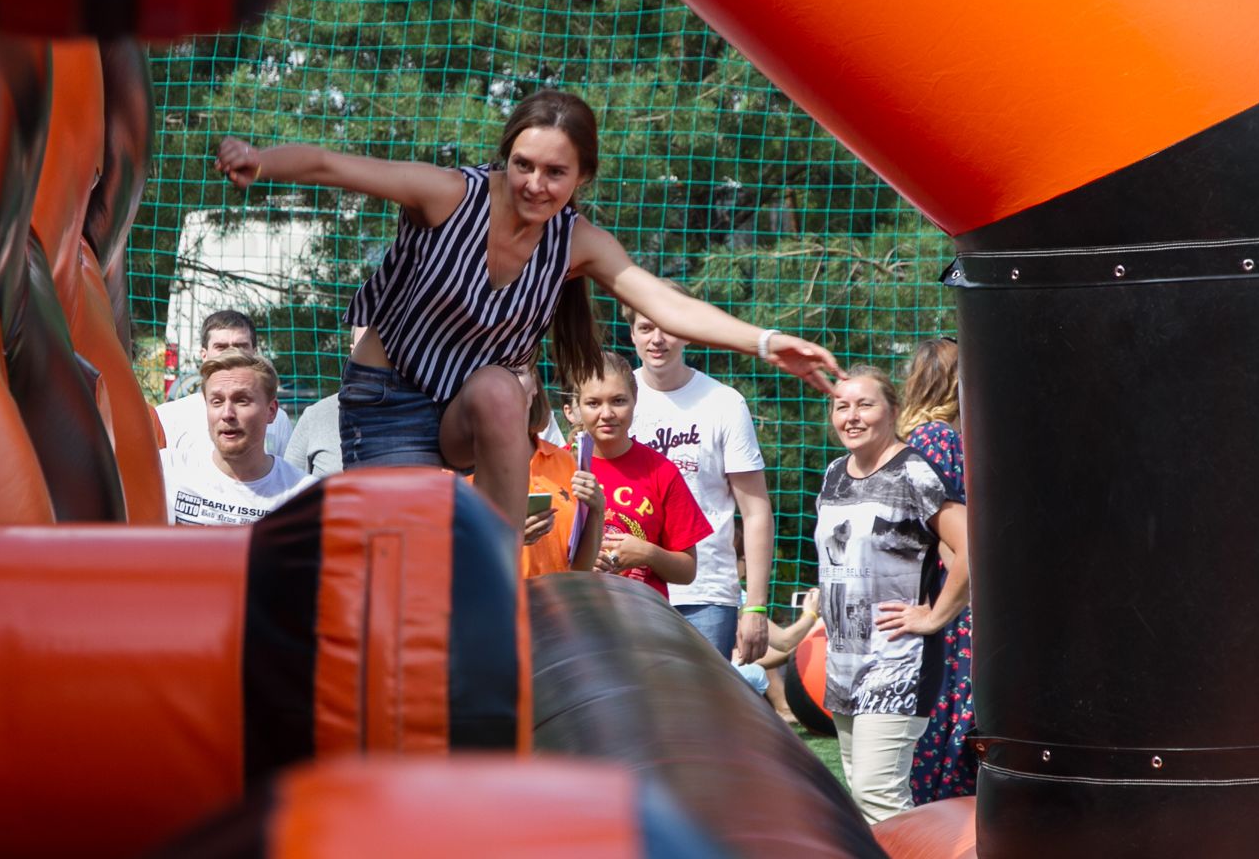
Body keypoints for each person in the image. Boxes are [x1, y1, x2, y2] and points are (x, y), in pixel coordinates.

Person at [215, 90, 843, 531]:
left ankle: (496, 574)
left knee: (501, 386)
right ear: (506, 158)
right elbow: (332, 165)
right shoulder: (450, 195)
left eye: (554, 172)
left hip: (467, 410)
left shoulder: (577, 243)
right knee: (408, 541)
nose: (535, 185)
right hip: (389, 402)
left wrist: (766, 342)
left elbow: (662, 301)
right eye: (523, 165)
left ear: (582, 177)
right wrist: (260, 160)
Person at [816, 365, 968, 823]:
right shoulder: (834, 474)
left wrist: (935, 616)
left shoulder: (913, 471)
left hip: (897, 662)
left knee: (878, 794)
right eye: (841, 406)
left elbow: (974, 546)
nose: (851, 417)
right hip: (844, 664)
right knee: (862, 800)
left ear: (893, 410)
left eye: (865, 405)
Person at [628, 291, 775, 662]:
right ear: (631, 334)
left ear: (688, 332)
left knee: (701, 702)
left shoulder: (723, 403)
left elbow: (755, 511)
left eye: (668, 327)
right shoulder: (614, 400)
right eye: (645, 328)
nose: (657, 339)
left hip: (705, 595)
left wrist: (755, 605)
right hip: (627, 591)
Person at [898, 337, 977, 804]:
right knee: (952, 708)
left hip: (952, 589)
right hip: (954, 595)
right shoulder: (938, 439)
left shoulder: (926, 437)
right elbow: (945, 532)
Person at [563, 352, 711, 597]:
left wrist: (647, 553)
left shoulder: (660, 471)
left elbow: (687, 571)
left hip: (640, 614)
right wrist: (582, 558)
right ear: (574, 409)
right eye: (593, 403)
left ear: (635, 400)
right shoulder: (555, 465)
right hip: (570, 610)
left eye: (618, 401)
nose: (607, 413)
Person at [160, 350, 314, 526]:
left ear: (271, 411)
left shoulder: (304, 496)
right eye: (217, 401)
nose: (227, 414)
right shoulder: (166, 470)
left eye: (242, 400)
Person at [157, 310, 293, 458]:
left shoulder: (277, 419)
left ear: (254, 353)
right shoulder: (169, 417)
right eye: (221, 347)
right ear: (204, 355)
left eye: (241, 346)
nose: (231, 353)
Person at [520, 374, 605, 576]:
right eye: (497, 368)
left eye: (517, 370)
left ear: (534, 385)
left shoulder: (564, 461)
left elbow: (581, 569)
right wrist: (508, 539)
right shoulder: (461, 471)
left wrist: (597, 510)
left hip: (564, 594)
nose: (505, 380)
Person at [284, 327, 367, 478]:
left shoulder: (414, 414)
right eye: (366, 345)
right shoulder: (315, 416)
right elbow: (287, 485)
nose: (375, 357)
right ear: (352, 351)